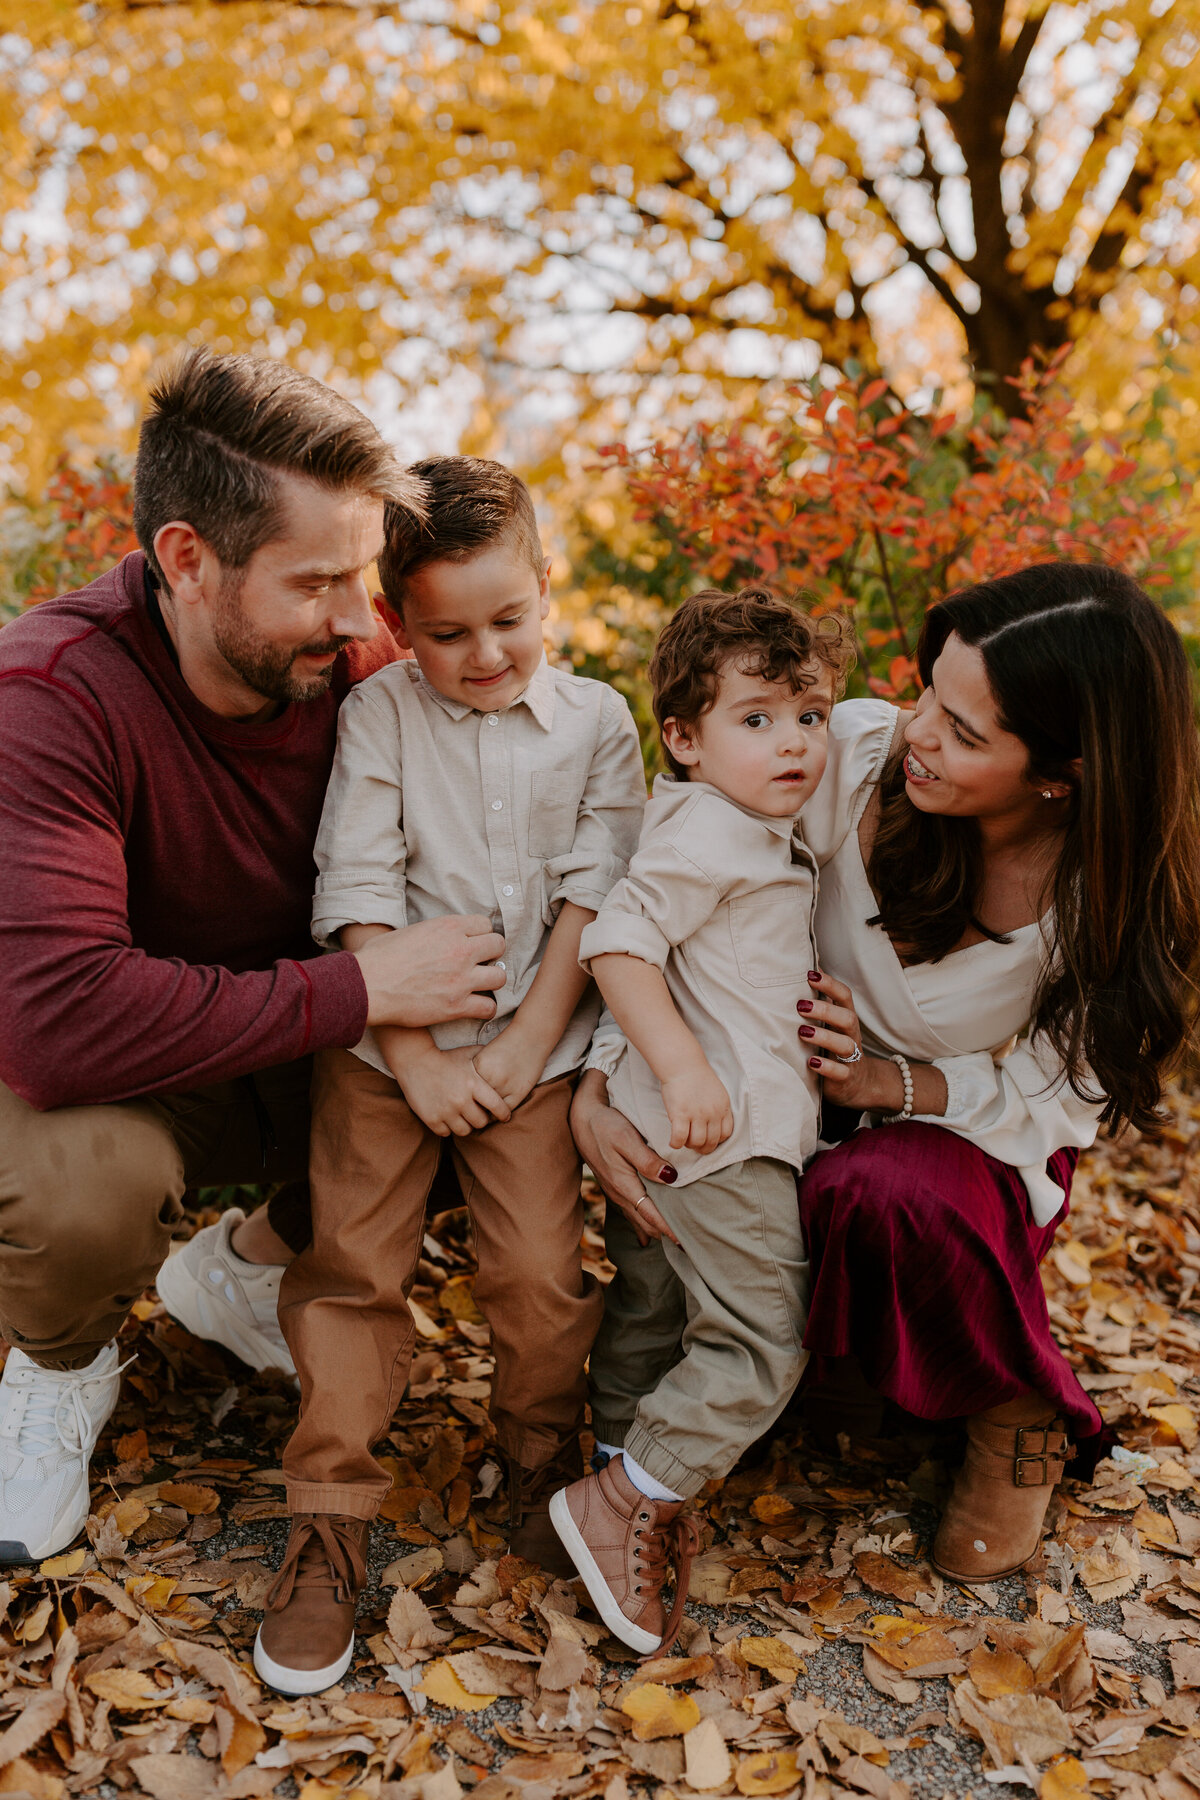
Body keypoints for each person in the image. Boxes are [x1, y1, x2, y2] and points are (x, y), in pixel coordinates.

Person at [572, 562, 1200, 1588]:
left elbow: (1055, 1103)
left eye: (965, 732)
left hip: (960, 1150)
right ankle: (804, 1395)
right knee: (736, 1232)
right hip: (762, 1106)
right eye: (928, 695)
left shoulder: (1101, 912)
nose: (916, 734)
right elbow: (668, 911)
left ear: (1065, 772)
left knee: (876, 1185)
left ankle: (1014, 1411)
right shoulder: (845, 755)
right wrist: (604, 1082)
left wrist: (885, 1085)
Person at [0, 353, 509, 1564]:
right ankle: (59, 1366)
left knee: (486, 1077)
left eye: (364, 575)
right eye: (317, 582)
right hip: (126, 1071)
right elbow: (59, 1020)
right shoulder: (49, 697)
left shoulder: (367, 668)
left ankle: (241, 1273)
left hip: (305, 1048)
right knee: (74, 1198)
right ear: (187, 561)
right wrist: (364, 992)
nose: (356, 618)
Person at [253, 455, 647, 1697]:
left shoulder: (600, 724)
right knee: (353, 1268)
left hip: (534, 1047)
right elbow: (355, 888)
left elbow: (599, 895)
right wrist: (418, 1064)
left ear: (547, 584)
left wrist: (529, 1047)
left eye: (508, 621)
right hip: (385, 1053)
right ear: (394, 623)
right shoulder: (378, 718)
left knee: (535, 1271)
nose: (484, 655)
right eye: (446, 633)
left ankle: (539, 1460)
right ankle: (328, 1519)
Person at [549, 587, 853, 1655]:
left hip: (682, 1132)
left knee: (653, 1317)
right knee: (764, 1339)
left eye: (809, 717)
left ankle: (616, 1499)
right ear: (680, 737)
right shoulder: (713, 833)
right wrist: (681, 1070)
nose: (795, 744)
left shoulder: (740, 829)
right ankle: (627, 1499)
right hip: (724, 1136)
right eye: (757, 719)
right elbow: (619, 944)